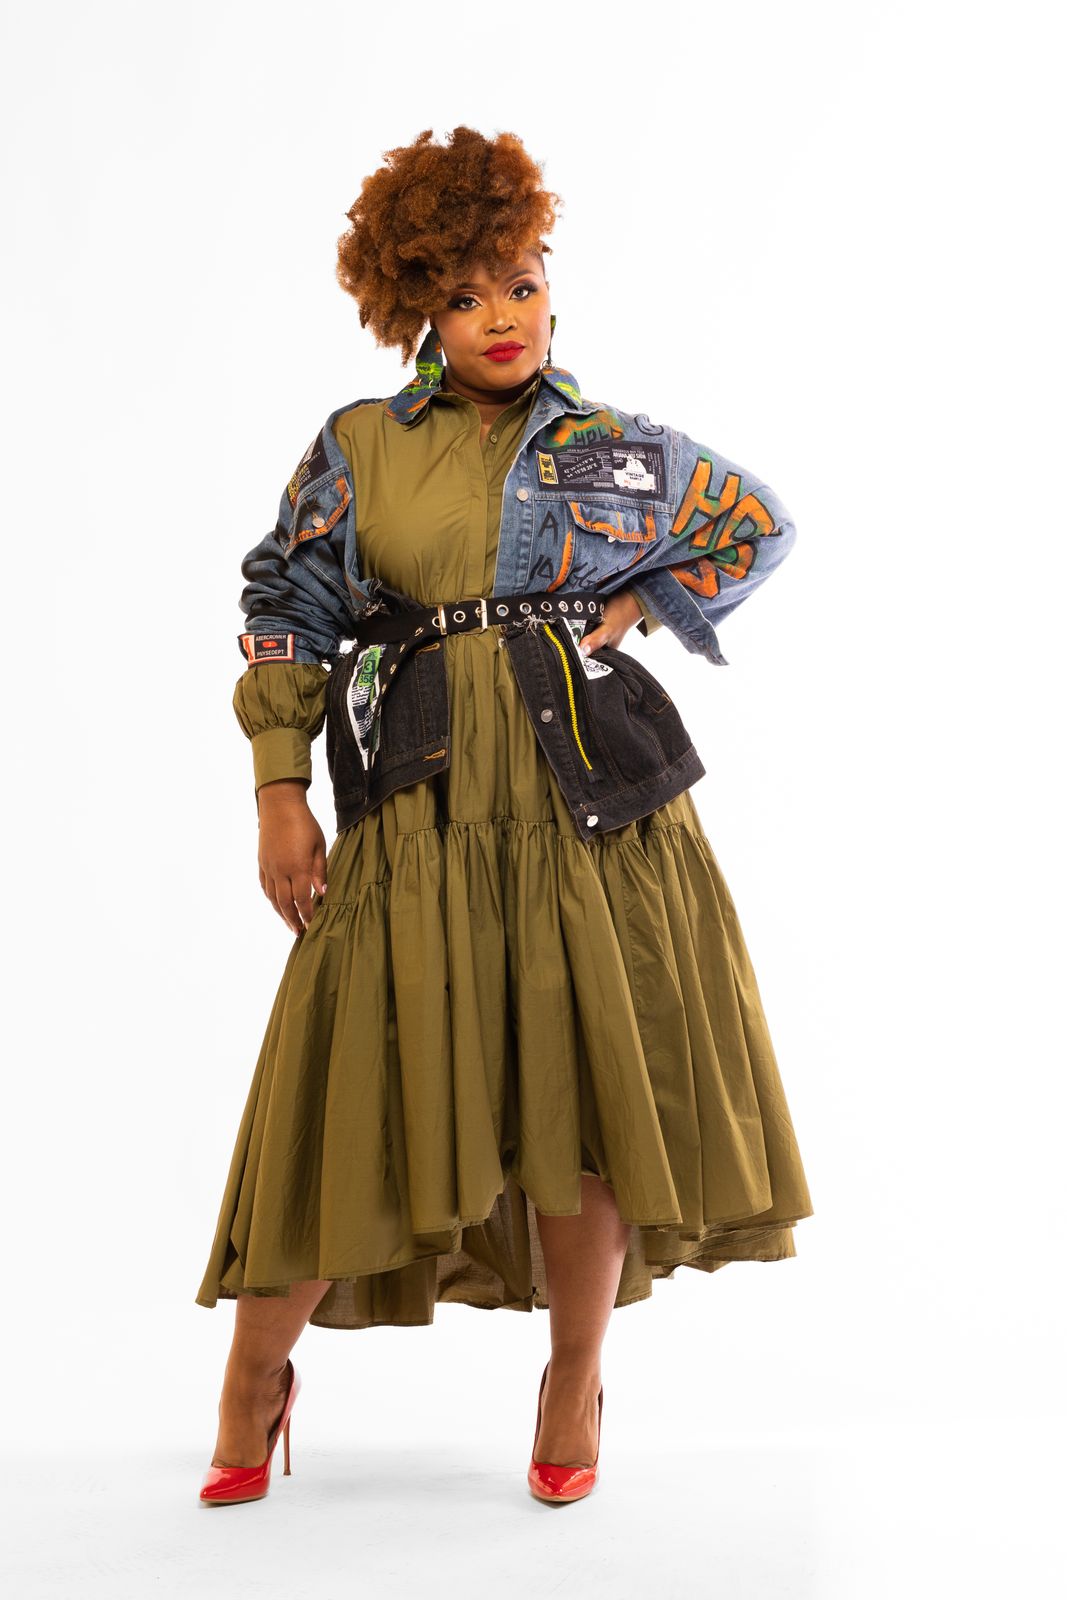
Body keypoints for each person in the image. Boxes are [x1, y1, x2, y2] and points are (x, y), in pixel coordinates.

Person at [195, 125, 814, 1507]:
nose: (503, 317)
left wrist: (643, 598)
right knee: (349, 1092)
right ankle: (254, 1375)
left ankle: (573, 1377)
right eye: (468, 294)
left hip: (592, 819)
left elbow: (758, 524)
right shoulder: (360, 447)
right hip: (417, 818)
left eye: (523, 284)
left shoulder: (616, 451)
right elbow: (285, 607)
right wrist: (280, 793)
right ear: (419, 309)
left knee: (582, 1102)